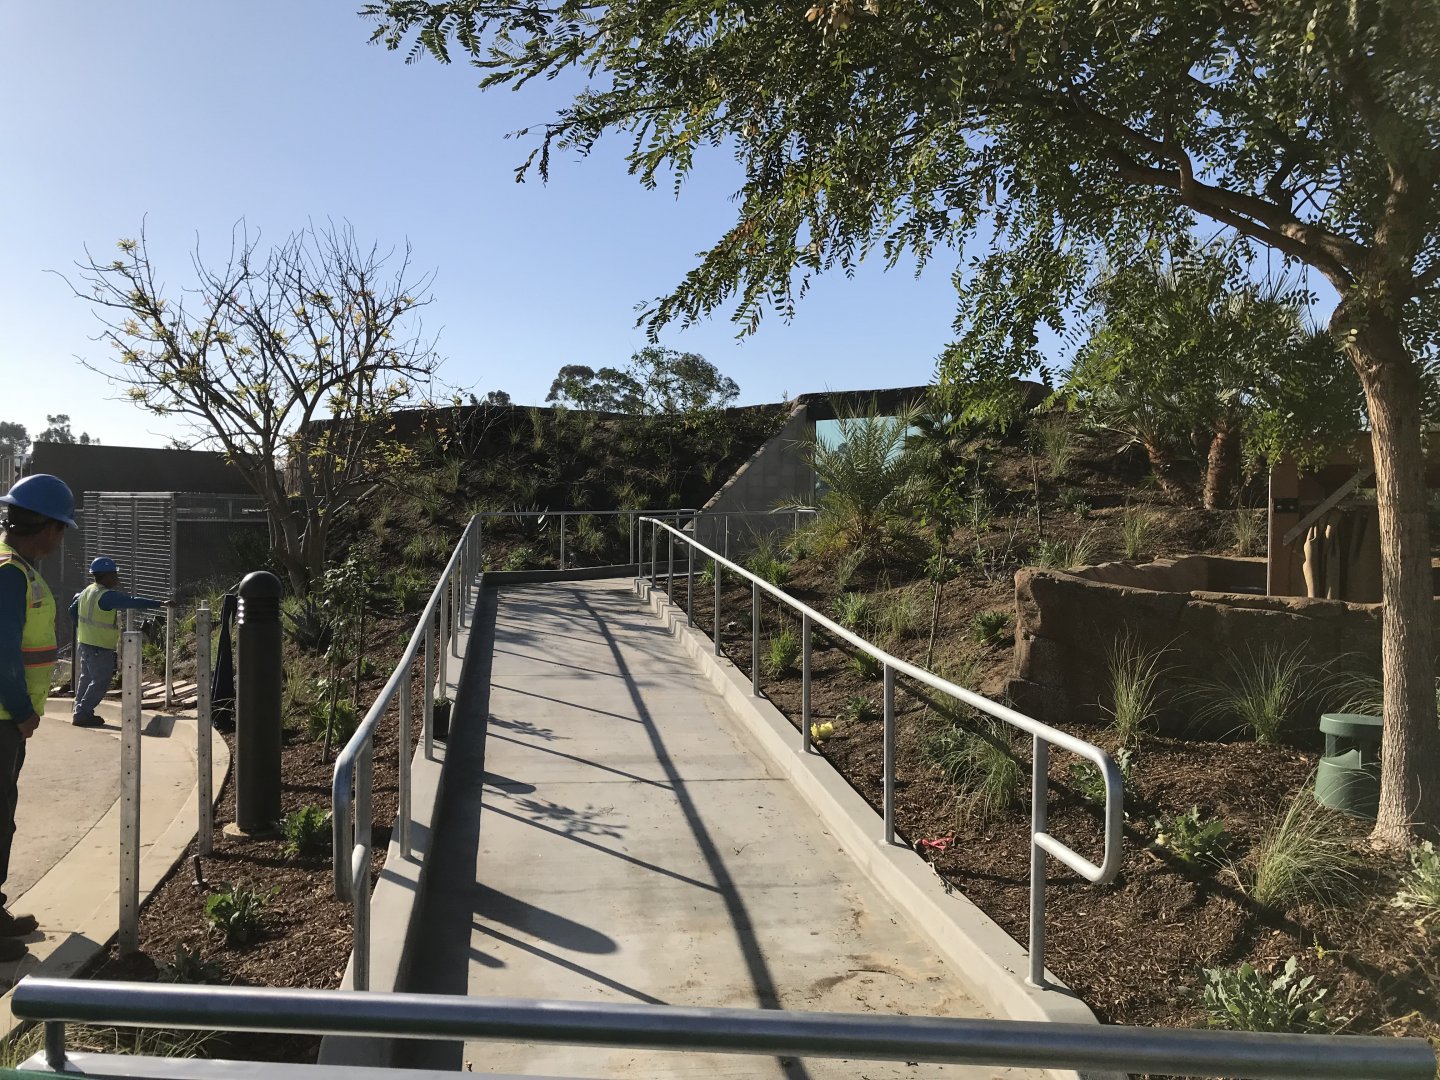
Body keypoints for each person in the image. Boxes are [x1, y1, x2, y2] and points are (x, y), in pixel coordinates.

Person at [0, 473, 76, 960]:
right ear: (46, 526)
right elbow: (4, 650)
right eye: (62, 527)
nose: (62, 537)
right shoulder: (10, 573)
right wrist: (24, 711)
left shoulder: (14, 566)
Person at [69, 557, 170, 728]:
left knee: (86, 678)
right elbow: (132, 601)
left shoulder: (88, 591)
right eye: (115, 574)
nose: (117, 578)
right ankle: (83, 713)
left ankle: (79, 710)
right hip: (99, 647)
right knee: (101, 680)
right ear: (106, 575)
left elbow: (71, 610)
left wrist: (84, 628)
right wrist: (160, 603)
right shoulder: (106, 596)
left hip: (85, 643)